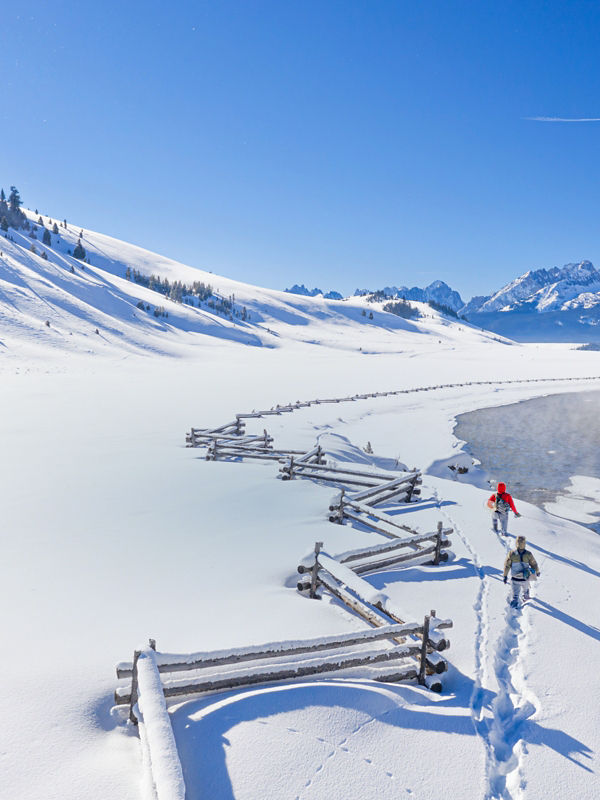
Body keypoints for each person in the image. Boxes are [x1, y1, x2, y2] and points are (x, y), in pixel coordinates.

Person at [503, 535, 540, 607]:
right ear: (524, 543)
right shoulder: (528, 554)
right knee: (526, 591)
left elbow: (507, 566)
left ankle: (514, 604)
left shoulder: (512, 553)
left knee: (515, 595)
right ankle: (526, 600)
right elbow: (534, 564)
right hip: (525, 578)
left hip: (515, 578)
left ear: (516, 543)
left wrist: (505, 576)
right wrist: (537, 571)